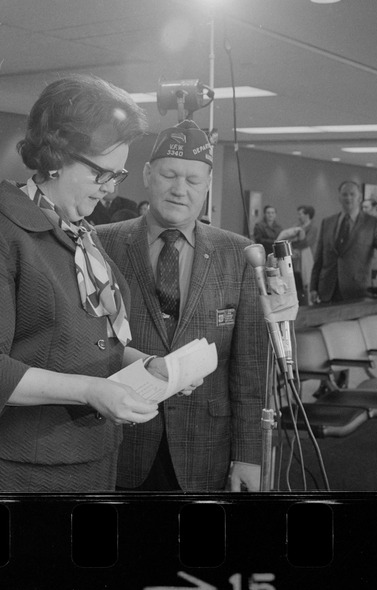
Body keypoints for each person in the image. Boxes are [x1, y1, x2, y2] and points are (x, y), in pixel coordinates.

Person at [0, 75, 186, 493]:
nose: (109, 192)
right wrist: (91, 391)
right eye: (99, 174)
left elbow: (91, 340)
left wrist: (145, 364)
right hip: (10, 470)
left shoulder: (82, 235)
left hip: (88, 458)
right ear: (55, 156)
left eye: (118, 175)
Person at [96, 120, 269, 492]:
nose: (179, 190)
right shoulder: (101, 244)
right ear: (147, 174)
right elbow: (85, 343)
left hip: (206, 449)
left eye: (193, 181)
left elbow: (250, 369)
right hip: (119, 441)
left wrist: (250, 455)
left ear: (208, 185)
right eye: (169, 175)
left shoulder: (238, 254)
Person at [309, 180, 377, 304]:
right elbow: (318, 259)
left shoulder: (373, 223)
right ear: (339, 197)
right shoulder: (327, 222)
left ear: (359, 197)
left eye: (352, 194)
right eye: (344, 194)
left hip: (357, 291)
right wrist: (313, 287)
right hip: (327, 292)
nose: (348, 198)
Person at [276, 205, 319, 305]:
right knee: (295, 283)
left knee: (306, 283)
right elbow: (288, 240)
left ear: (307, 215)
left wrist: (294, 242)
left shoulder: (313, 228)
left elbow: (307, 243)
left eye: (301, 214)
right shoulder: (297, 226)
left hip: (306, 260)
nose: (299, 216)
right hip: (294, 260)